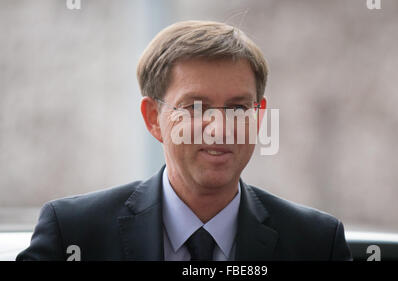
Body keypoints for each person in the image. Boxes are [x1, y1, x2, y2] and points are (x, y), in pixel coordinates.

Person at [16, 20, 352, 261]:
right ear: (153, 118)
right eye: (195, 107)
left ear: (259, 116)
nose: (219, 127)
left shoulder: (317, 244)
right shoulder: (74, 235)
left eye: (237, 107)